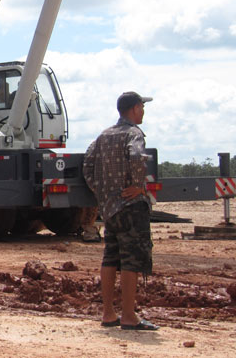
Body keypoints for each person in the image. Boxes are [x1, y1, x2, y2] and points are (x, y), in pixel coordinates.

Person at [83, 91, 159, 331]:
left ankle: (108, 314)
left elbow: (88, 165)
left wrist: (102, 192)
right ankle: (128, 316)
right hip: (130, 208)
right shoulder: (133, 133)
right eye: (142, 107)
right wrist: (137, 185)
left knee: (110, 257)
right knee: (131, 261)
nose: (143, 111)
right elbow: (137, 157)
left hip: (110, 209)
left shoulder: (104, 136)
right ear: (135, 108)